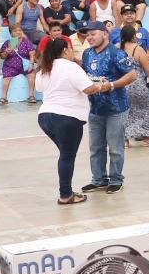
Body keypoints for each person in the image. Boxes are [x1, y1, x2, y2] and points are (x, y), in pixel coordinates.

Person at [35, 35, 105, 206]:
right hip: (67, 116)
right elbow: (88, 88)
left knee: (65, 154)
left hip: (45, 116)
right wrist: (101, 86)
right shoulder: (70, 66)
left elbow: (39, 88)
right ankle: (65, 195)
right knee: (67, 156)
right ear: (65, 50)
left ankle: (66, 191)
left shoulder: (44, 68)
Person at [78, 20, 138, 193]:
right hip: (95, 108)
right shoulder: (87, 54)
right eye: (87, 35)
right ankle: (98, 179)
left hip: (116, 108)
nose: (89, 37)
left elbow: (132, 75)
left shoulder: (116, 53)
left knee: (115, 148)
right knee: (95, 147)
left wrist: (111, 85)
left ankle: (116, 179)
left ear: (105, 34)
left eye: (93, 34)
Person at [119, 24, 149, 148]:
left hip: (121, 84)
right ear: (133, 36)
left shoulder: (116, 48)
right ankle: (147, 136)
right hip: (137, 85)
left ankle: (124, 140)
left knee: (126, 111)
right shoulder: (138, 49)